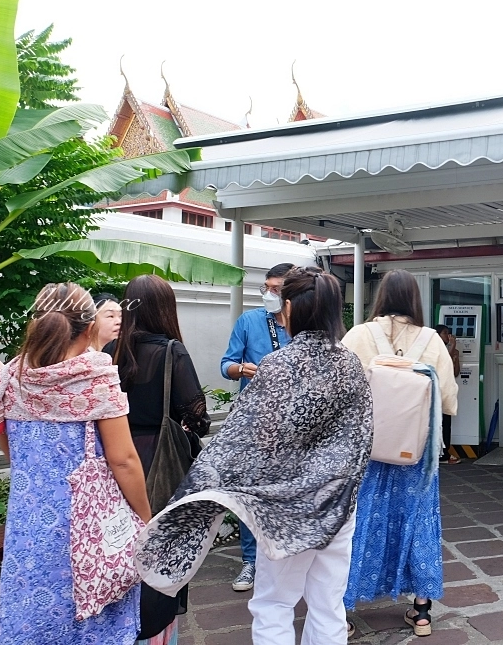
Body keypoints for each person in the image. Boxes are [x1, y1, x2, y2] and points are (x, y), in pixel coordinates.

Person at [134, 266, 373, 645]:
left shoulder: (278, 366)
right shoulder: (350, 365)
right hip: (338, 505)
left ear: (290, 308)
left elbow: (246, 440)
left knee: (274, 604)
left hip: (283, 510)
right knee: (328, 605)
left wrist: (202, 489)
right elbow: (362, 438)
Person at [0, 283, 151, 644]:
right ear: (90, 325)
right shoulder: (95, 377)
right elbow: (123, 460)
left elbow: (12, 451)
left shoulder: (11, 378)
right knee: (94, 615)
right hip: (88, 526)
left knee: (31, 614)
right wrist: (144, 517)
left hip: (29, 527)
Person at [342, 270, 458, 638]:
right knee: (419, 522)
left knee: (360, 523)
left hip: (369, 450)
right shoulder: (431, 340)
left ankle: (341, 610)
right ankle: (421, 612)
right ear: (414, 300)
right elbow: (448, 398)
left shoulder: (359, 335)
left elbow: (342, 388)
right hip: (416, 453)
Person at [108, 274, 211, 644]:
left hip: (112, 460)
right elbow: (198, 414)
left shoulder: (110, 351)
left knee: (117, 544)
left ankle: (117, 623)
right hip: (159, 461)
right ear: (166, 309)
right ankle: (155, 630)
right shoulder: (171, 351)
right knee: (158, 547)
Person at [219, 262, 294, 591]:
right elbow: (226, 364)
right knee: (249, 494)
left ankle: (289, 558)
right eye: (266, 288)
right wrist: (240, 370)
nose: (268, 294)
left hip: (295, 426)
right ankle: (251, 562)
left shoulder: (304, 326)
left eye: (276, 289)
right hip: (255, 422)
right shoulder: (249, 321)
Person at [434, 324, 462, 465]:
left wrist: (456, 356)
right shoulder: (435, 350)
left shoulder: (453, 351)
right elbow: (443, 364)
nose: (449, 336)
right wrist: (451, 349)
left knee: (446, 423)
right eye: (445, 333)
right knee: (438, 423)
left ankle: (444, 453)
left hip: (446, 391)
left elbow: (455, 372)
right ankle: (440, 455)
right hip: (436, 392)